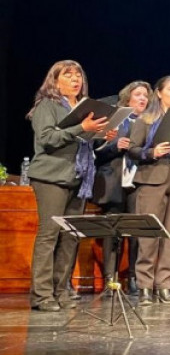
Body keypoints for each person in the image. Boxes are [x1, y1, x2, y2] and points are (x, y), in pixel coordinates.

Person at [26, 60, 112, 311]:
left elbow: (82, 143)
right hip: (51, 177)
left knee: (70, 237)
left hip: (78, 178)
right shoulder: (47, 105)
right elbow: (47, 138)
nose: (76, 79)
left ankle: (60, 290)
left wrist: (100, 136)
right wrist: (81, 128)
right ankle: (41, 295)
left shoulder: (83, 108)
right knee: (49, 235)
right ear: (55, 80)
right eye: (68, 75)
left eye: (78, 76)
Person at [128, 75, 170, 306]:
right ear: (159, 93)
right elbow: (133, 150)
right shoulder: (146, 119)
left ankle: (164, 286)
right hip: (153, 178)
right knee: (149, 235)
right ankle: (145, 287)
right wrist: (152, 152)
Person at [92, 79, 150, 290]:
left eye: (145, 96)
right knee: (112, 231)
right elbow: (97, 152)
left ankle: (133, 278)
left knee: (136, 232)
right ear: (127, 98)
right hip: (113, 182)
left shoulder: (149, 123)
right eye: (138, 95)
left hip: (138, 183)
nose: (143, 98)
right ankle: (110, 278)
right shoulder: (115, 120)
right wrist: (115, 146)